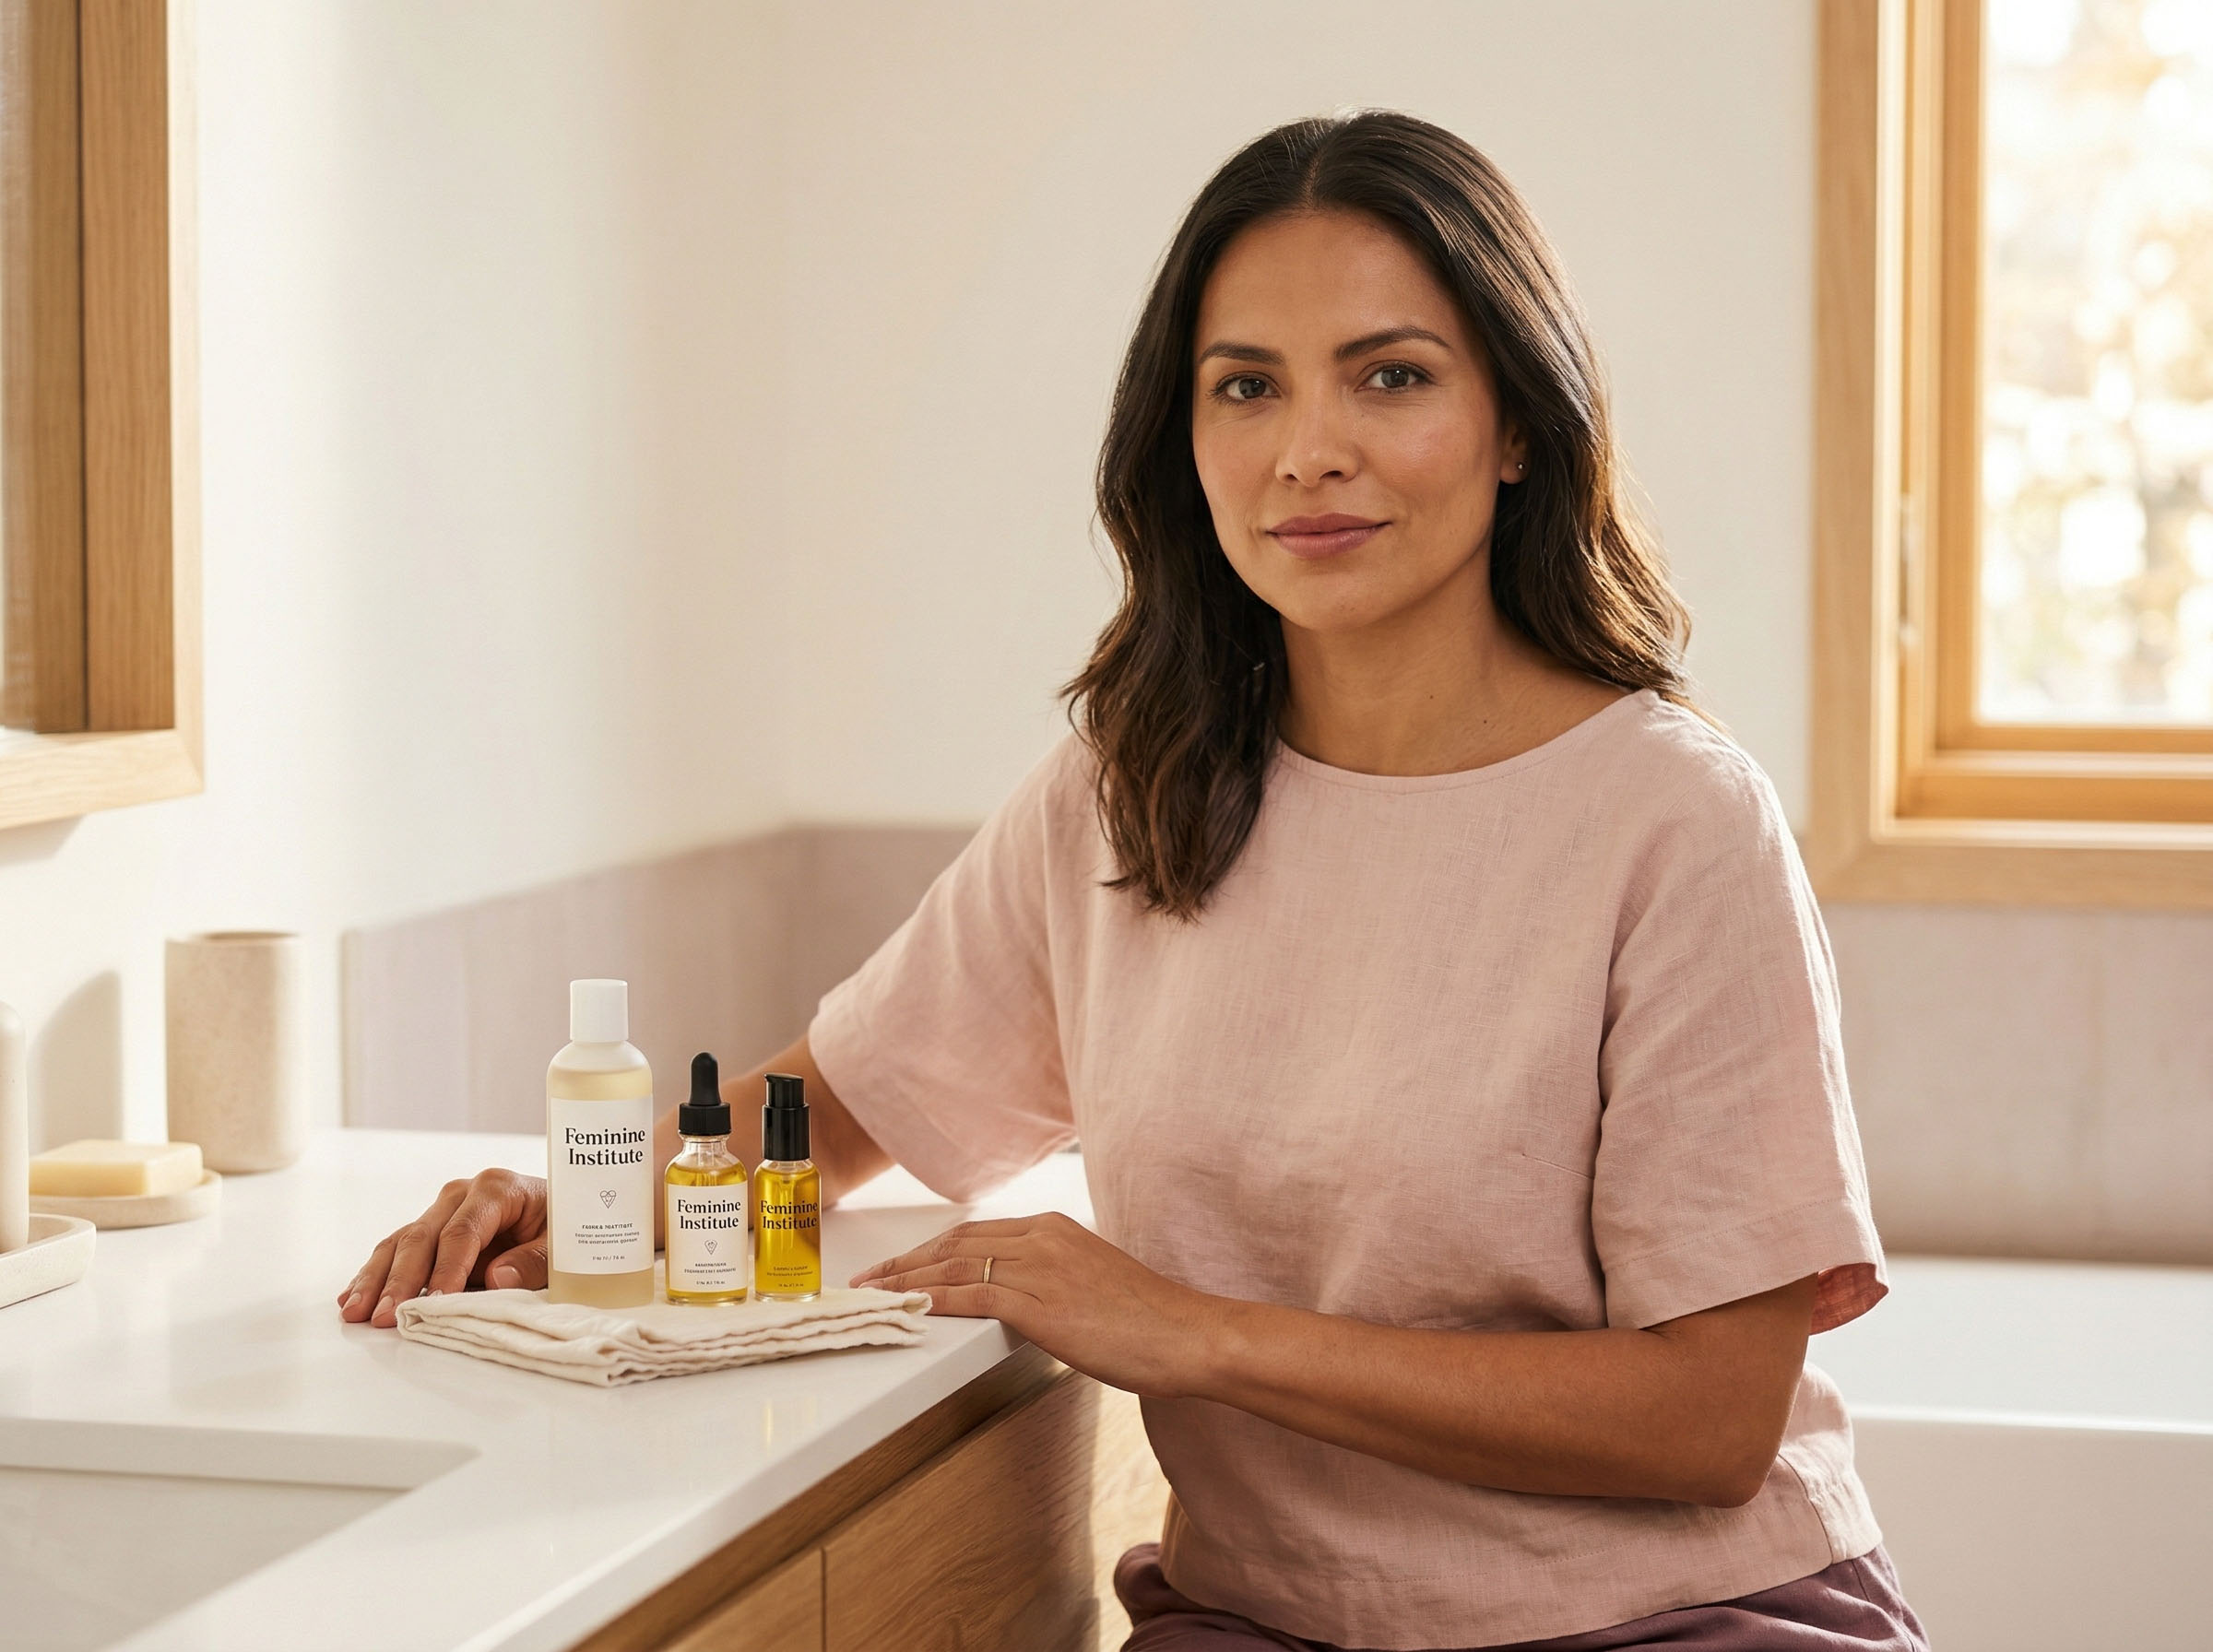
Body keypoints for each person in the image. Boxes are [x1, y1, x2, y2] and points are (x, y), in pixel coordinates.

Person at [339, 111, 1928, 1651]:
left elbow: (1713, 1421)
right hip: (1269, 1623)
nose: (1311, 451)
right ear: (1186, 440)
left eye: (1392, 375)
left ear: (1518, 422)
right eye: (1247, 387)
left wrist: (1200, 1336)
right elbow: (837, 1106)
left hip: (1679, 1621)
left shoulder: (1673, 821)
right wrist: (592, 1208)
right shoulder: (1136, 787)